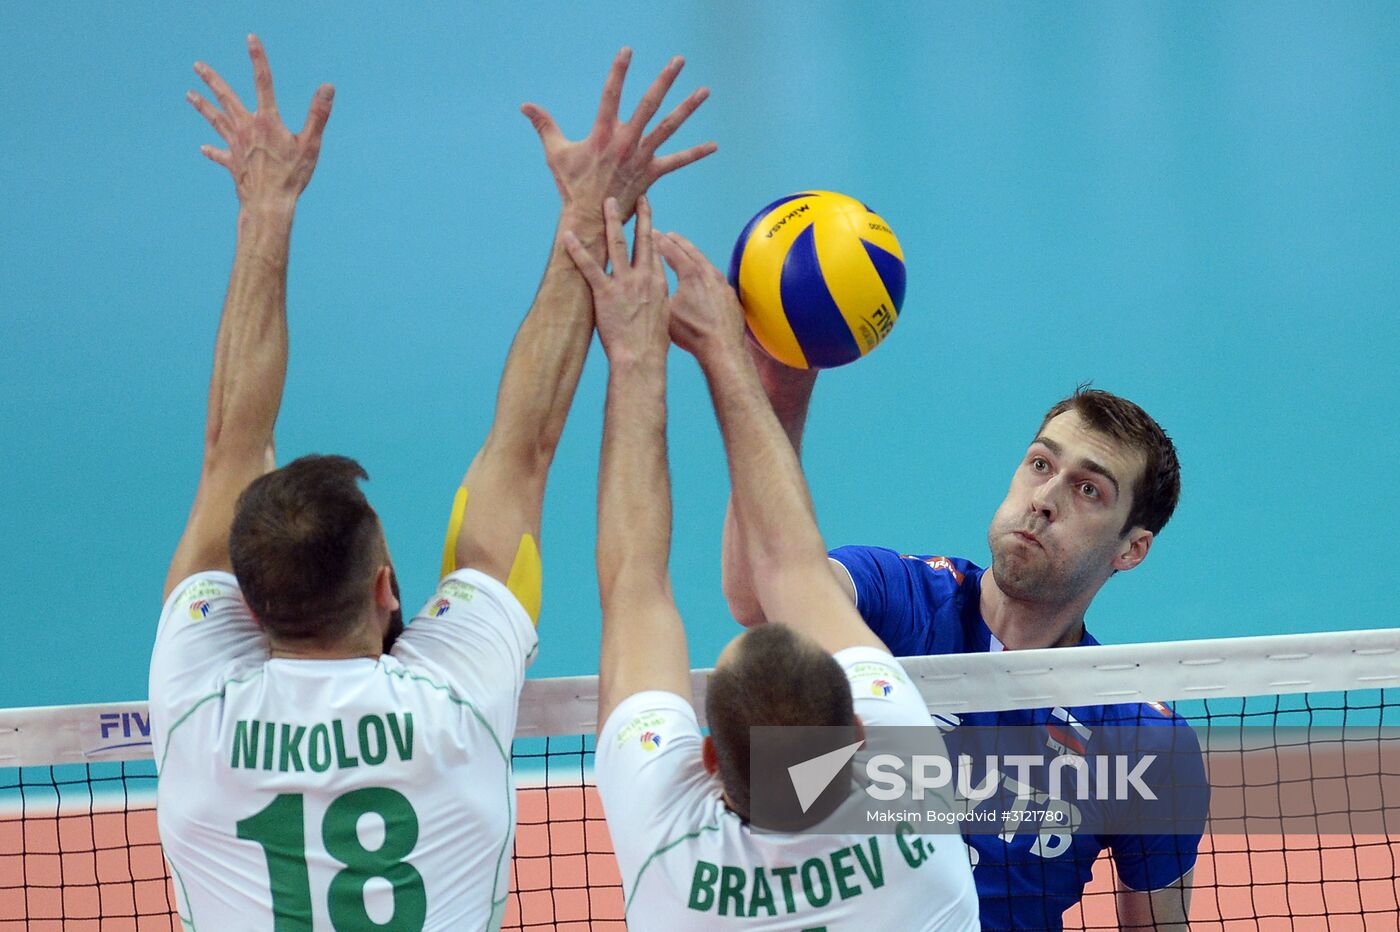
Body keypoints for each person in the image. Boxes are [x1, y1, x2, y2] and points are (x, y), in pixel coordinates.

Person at [148, 37, 714, 929]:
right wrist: (589, 206)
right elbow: (522, 453)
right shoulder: (453, 698)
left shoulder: (194, 704)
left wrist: (266, 209)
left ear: (247, 613)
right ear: (386, 588)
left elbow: (231, 447)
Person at [564, 199, 980, 930]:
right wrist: (736, 360)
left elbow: (637, 591)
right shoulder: (917, 813)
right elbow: (791, 566)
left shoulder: (669, 855)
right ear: (857, 732)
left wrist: (638, 357)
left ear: (709, 760)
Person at [720, 350, 1202, 928]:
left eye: (1089, 490)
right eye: (1041, 465)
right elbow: (754, 595)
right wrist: (780, 391)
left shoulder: (1143, 739)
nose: (1044, 499)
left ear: (1131, 548)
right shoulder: (897, 601)